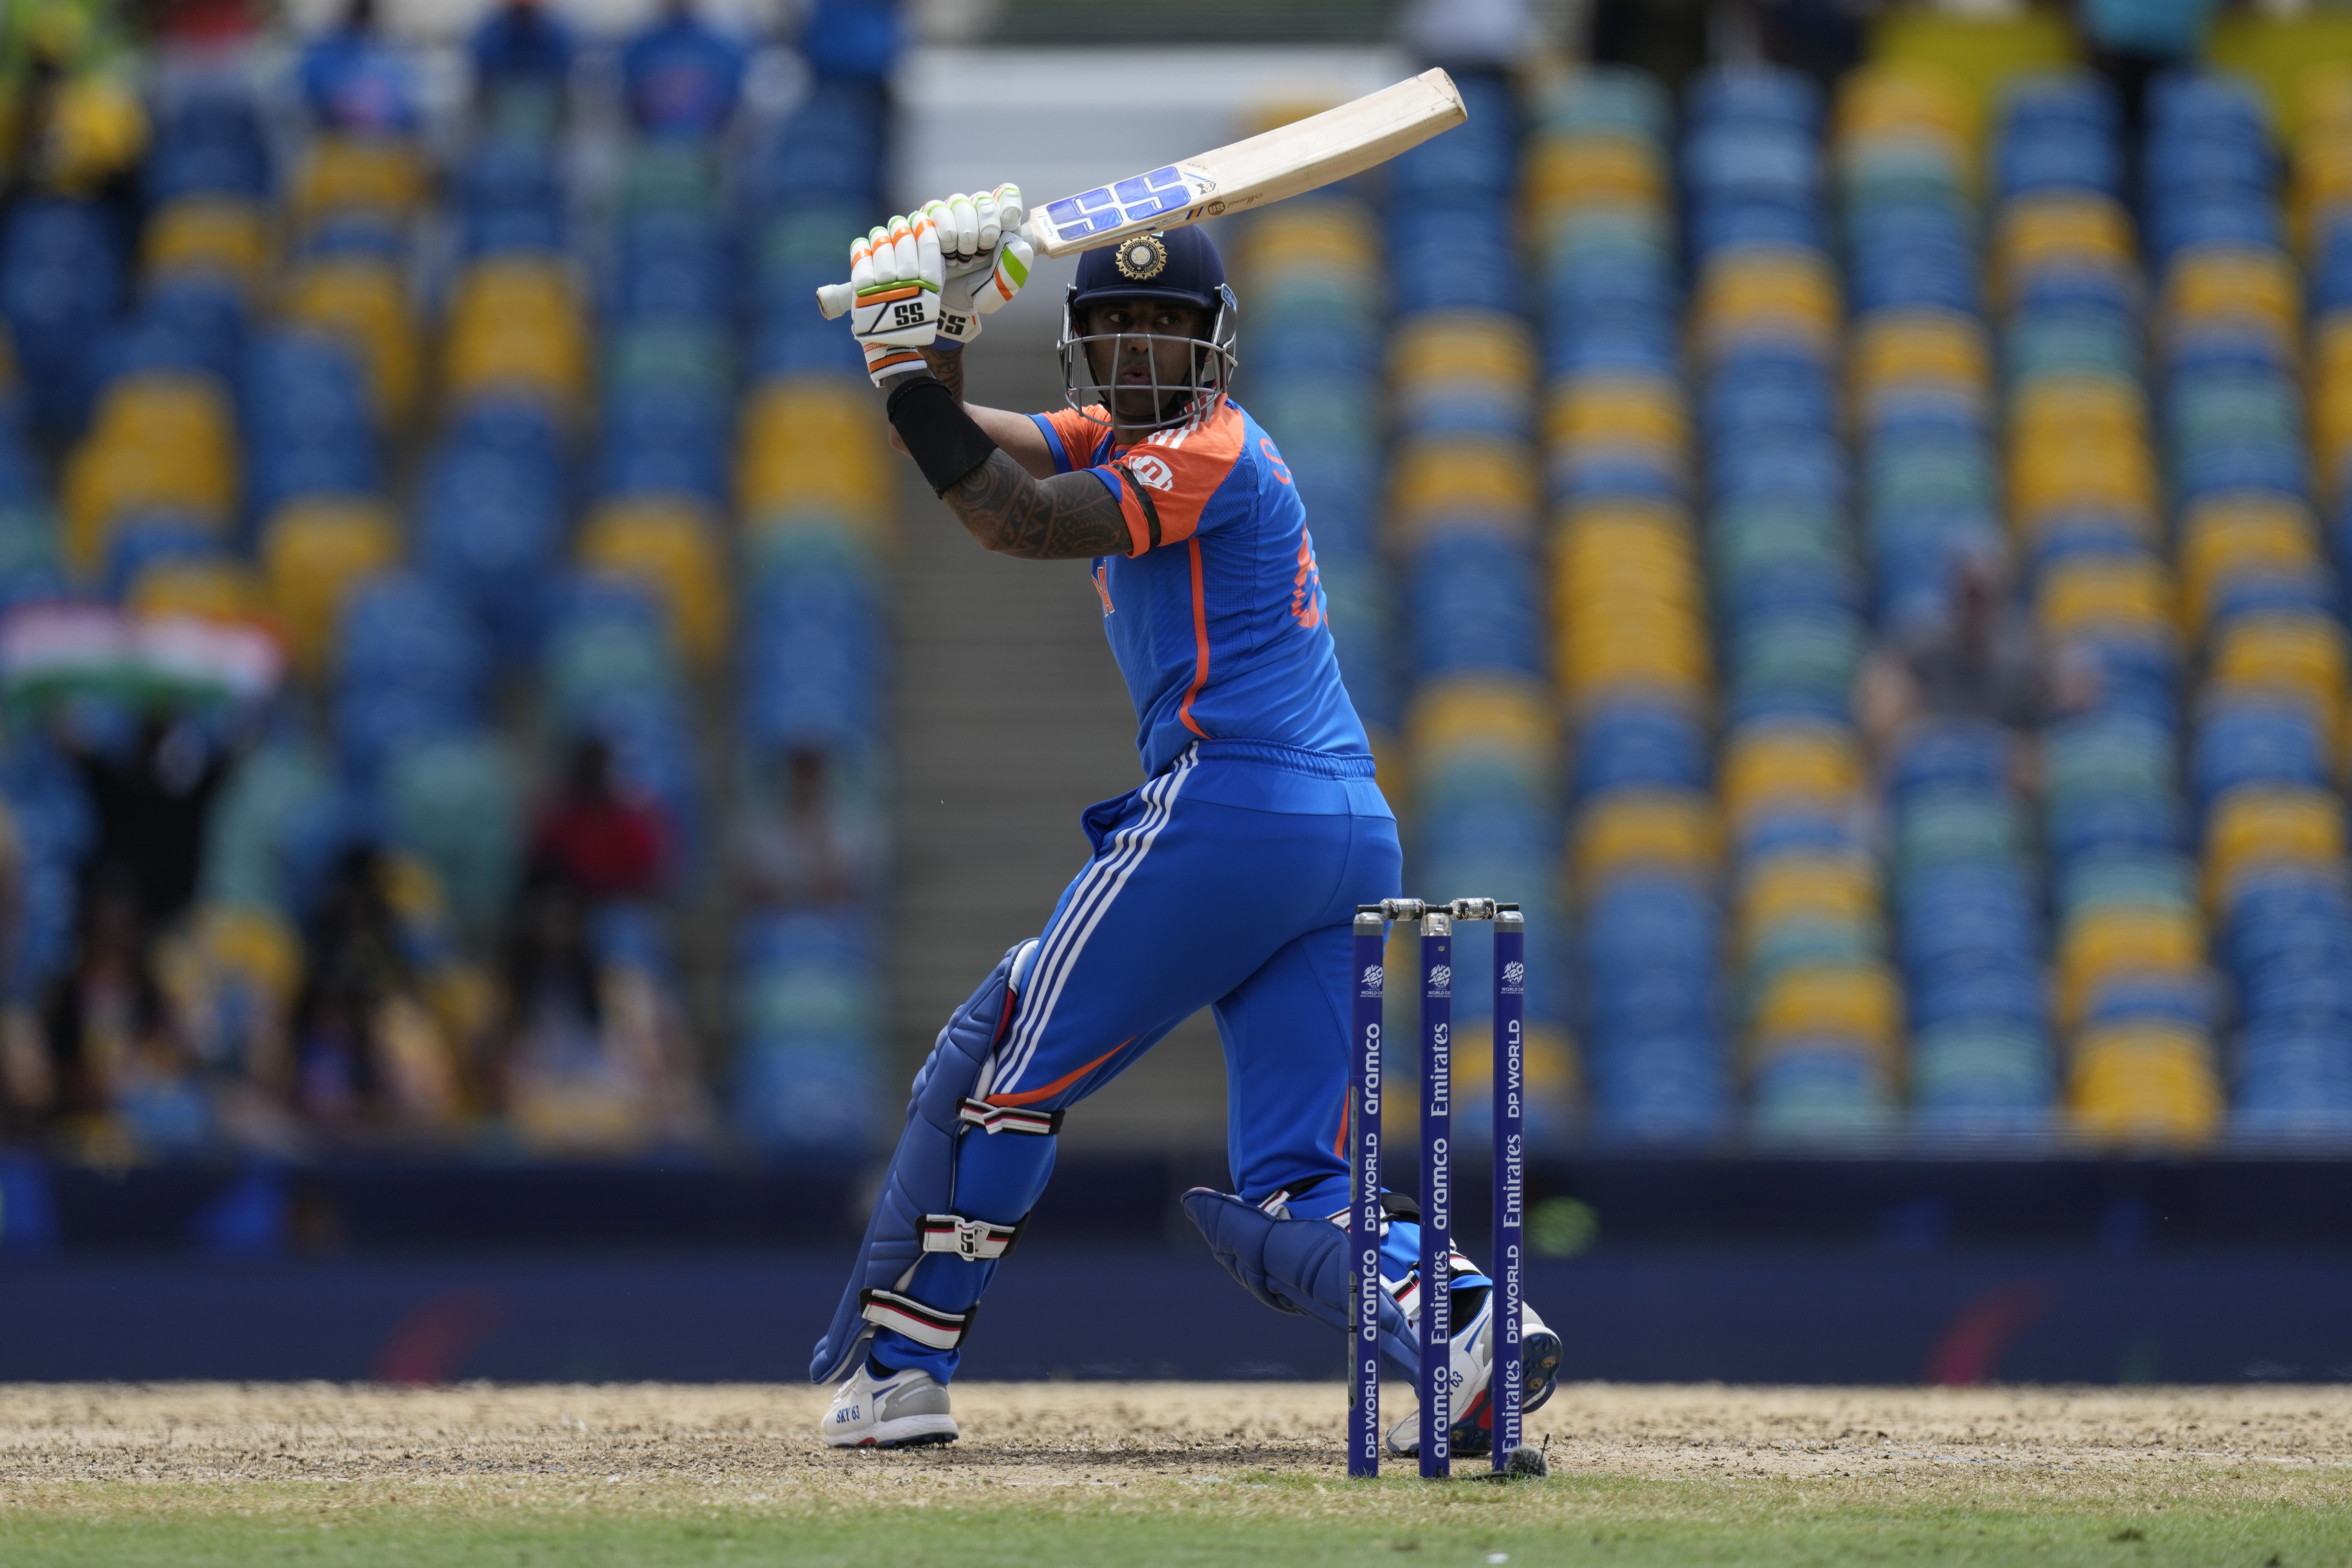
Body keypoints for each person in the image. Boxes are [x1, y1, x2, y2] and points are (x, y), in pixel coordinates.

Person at [812, 193, 1562, 1452]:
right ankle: (1458, 1324)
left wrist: (899, 371)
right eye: (1119, 325)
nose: (1144, 350)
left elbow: (1013, 516)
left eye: (1168, 326)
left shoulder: (1207, 450)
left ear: (1212, 342)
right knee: (1299, 1182)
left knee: (1000, 1067)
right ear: (1088, 345)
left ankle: (900, 1372)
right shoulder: (1121, 433)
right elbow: (973, 440)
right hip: (1344, 830)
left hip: (1229, 807)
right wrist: (924, 336)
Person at [528, 737, 667, 903]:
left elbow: (649, 882)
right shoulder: (560, 821)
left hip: (619, 903)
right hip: (572, 902)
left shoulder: (633, 827)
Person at [619, 0, 744, 139]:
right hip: (649, 144)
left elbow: (734, 110)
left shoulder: (725, 50)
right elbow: (628, 106)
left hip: (708, 146)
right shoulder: (639, 49)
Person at [299, 0, 420, 139]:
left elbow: (405, 105)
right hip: (336, 140)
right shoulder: (327, 49)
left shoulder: (386, 51)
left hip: (385, 141)